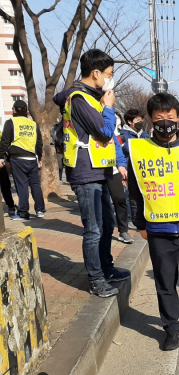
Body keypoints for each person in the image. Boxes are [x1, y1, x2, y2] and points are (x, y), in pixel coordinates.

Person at [128, 93, 179, 351]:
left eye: (170, 118)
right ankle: (172, 327)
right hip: (158, 230)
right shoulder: (139, 150)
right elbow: (134, 190)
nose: (165, 123)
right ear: (151, 120)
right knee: (165, 281)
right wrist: (140, 223)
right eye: (159, 118)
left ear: (178, 117)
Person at [53, 49, 130, 298]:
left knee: (106, 225)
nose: (109, 78)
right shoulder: (78, 99)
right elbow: (105, 132)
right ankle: (96, 279)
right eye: (108, 74)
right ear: (95, 73)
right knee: (93, 229)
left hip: (102, 169)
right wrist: (108, 108)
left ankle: (106, 268)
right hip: (86, 172)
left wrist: (118, 163)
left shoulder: (90, 97)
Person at [0, 100, 45, 220]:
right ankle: (40, 210)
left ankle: (23, 212)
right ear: (26, 111)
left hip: (17, 159)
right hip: (32, 158)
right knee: (36, 185)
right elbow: (39, 143)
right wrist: (39, 157)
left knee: (22, 185)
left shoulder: (11, 122)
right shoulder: (33, 124)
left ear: (14, 110)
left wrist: (1, 157)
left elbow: (5, 141)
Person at [105, 112, 134, 243]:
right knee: (102, 203)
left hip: (114, 170)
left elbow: (118, 149)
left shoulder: (114, 136)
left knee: (120, 199)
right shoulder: (95, 125)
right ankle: (104, 229)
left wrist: (121, 166)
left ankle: (123, 231)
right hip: (96, 171)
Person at [120, 108, 149, 231]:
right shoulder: (123, 134)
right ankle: (130, 219)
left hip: (142, 170)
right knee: (128, 195)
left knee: (141, 194)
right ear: (129, 121)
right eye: (137, 119)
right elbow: (125, 149)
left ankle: (141, 216)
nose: (140, 122)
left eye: (141, 119)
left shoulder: (143, 133)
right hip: (127, 169)